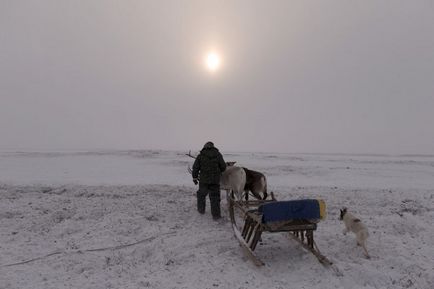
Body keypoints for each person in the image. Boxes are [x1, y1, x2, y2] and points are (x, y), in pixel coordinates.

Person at [192, 141, 226, 220]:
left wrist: (194, 178)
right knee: (215, 197)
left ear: (204, 147)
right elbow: (223, 167)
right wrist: (218, 171)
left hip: (203, 181)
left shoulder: (200, 156)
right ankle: (216, 216)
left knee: (201, 195)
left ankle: (201, 210)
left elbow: (195, 168)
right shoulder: (218, 155)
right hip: (215, 181)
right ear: (213, 146)